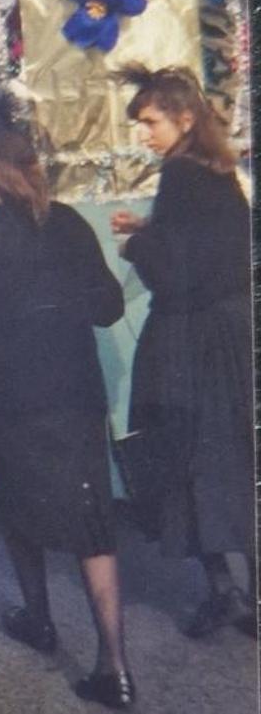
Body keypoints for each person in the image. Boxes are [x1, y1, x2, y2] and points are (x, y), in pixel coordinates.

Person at [0, 98, 132, 709]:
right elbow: (109, 307)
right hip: (74, 392)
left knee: (18, 506)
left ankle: (40, 620)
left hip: (9, 395)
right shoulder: (70, 223)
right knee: (92, 520)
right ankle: (116, 666)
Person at [110, 65, 255, 639]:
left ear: (184, 118)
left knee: (185, 460)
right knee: (239, 457)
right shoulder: (217, 172)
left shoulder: (178, 177)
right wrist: (153, 227)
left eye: (150, 122)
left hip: (192, 343)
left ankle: (222, 590)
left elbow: (173, 276)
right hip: (235, 335)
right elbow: (215, 246)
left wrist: (137, 243)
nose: (143, 133)